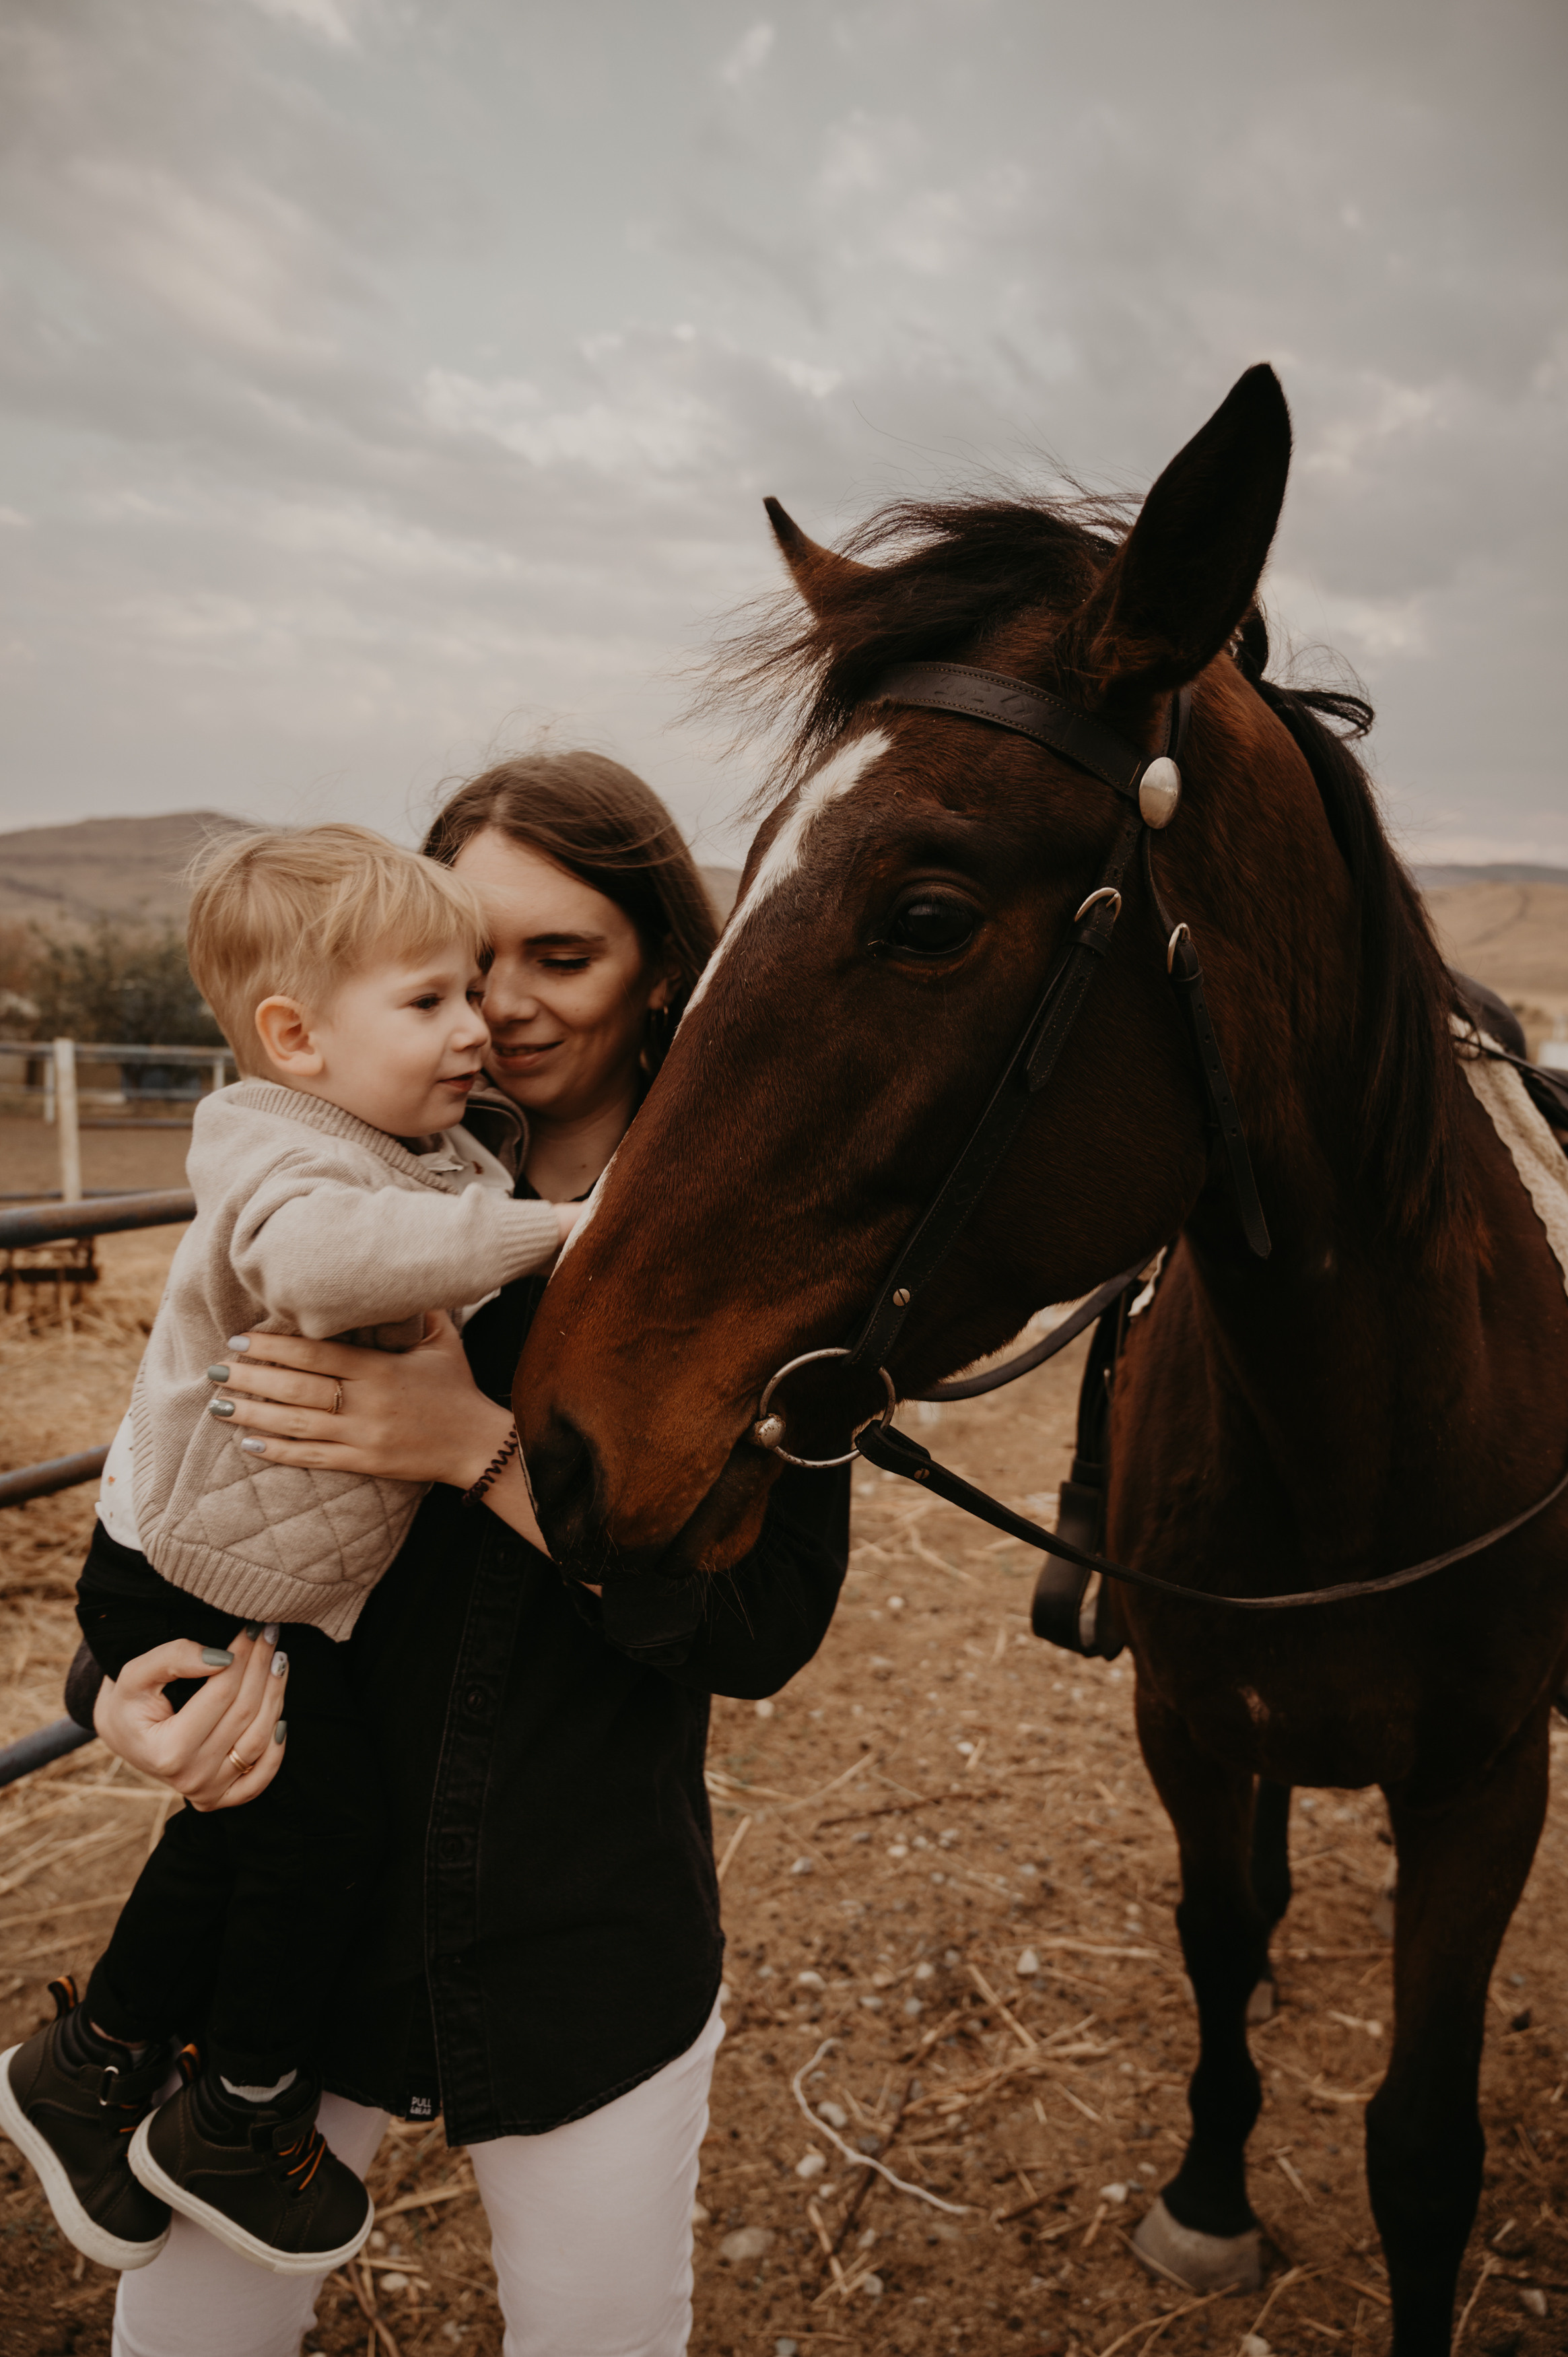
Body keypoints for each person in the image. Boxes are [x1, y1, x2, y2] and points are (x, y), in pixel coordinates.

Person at [76, 752, 852, 2357]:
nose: (497, 1008)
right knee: (183, 2344)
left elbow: (760, 1626)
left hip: (580, 1931)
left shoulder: (767, 1250)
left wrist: (470, 1447)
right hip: (292, 1925)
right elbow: (179, 1478)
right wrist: (121, 1691)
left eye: (562, 957)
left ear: (662, 973)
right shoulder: (328, 1182)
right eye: (466, 960)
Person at [1, 825, 582, 2280]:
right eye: (432, 999)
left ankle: (93, 2064)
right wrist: (568, 1228)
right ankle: (239, 2111)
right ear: (294, 1038)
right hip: (192, 1573)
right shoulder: (274, 1143)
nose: (478, 1025)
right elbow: (320, 1262)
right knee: (318, 1833)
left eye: (476, 988)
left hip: (255, 1569)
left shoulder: (417, 1142)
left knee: (251, 1821)